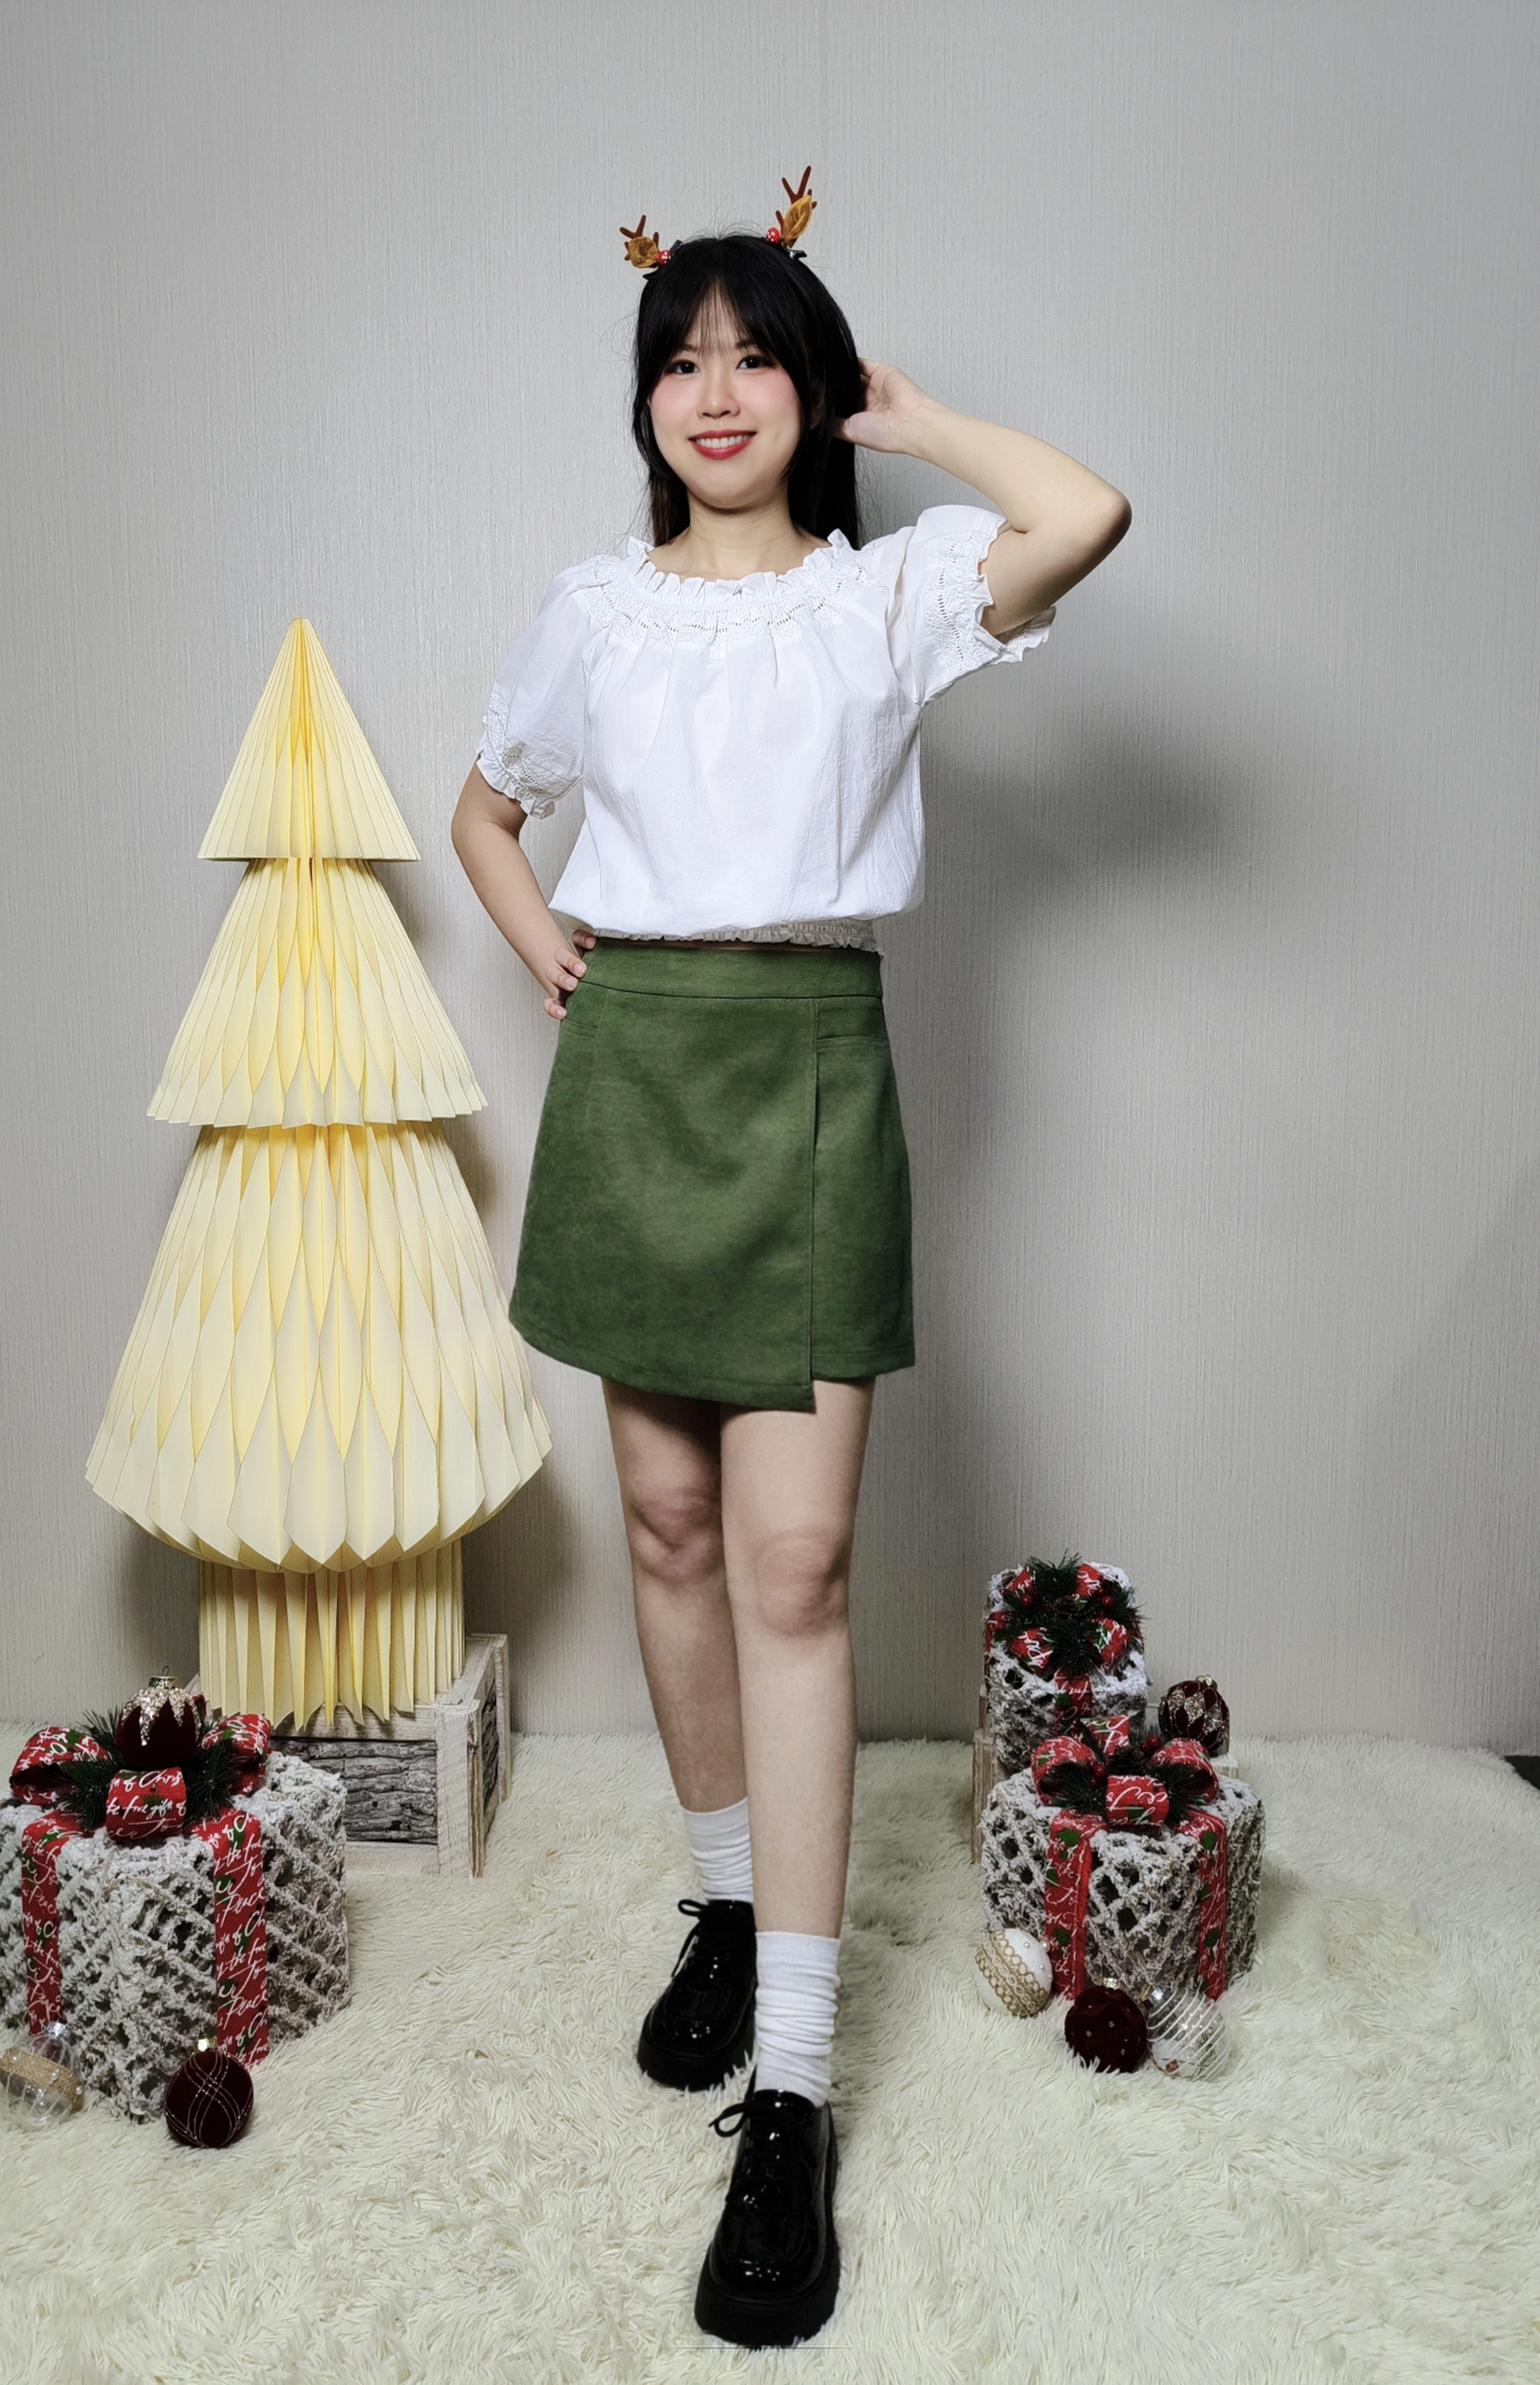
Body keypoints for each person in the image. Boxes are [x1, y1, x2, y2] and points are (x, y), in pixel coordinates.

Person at [450, 176, 1129, 2349]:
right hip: (638, 1071)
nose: (717, 392)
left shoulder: (886, 595)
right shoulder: (592, 611)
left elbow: (1088, 511)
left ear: (811, 387)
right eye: (683, 359)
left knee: (795, 1567)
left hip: (812, 1069)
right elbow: (485, 809)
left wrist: (910, 420)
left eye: (758, 356)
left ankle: (797, 2095)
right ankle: (732, 1914)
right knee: (664, 1528)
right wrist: (547, 944)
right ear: (645, 402)